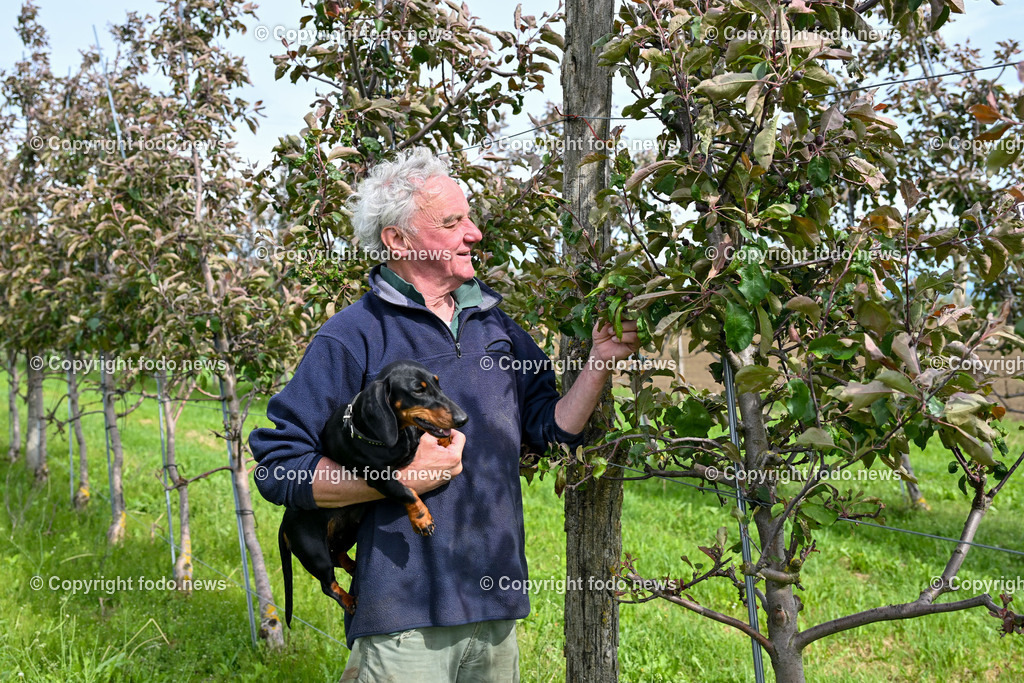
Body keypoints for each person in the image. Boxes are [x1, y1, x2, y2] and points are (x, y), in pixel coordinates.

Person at [248, 147, 639, 681]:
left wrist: (598, 365)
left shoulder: (496, 327)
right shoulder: (354, 335)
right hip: (403, 619)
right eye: (453, 222)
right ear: (398, 240)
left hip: (495, 608)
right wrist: (401, 479)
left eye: (469, 218)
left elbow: (550, 430)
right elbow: (278, 468)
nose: (474, 233)